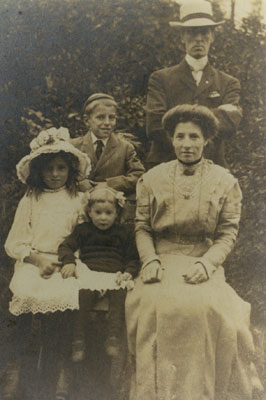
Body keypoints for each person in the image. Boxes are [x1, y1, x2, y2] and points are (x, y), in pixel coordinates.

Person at [126, 104, 259, 400]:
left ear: (206, 140)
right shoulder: (152, 178)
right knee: (152, 308)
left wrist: (208, 263)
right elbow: (142, 227)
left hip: (201, 260)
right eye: (181, 137)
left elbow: (227, 232)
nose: (187, 144)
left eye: (194, 137)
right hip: (161, 259)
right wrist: (149, 260)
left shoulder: (225, 181)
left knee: (208, 310)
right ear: (172, 139)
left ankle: (200, 392)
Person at [4, 127, 91, 400]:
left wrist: (68, 262)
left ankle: (56, 381)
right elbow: (14, 243)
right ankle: (23, 378)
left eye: (61, 168)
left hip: (66, 263)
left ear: (71, 170)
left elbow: (85, 238)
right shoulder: (31, 200)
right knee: (25, 306)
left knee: (61, 317)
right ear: (39, 172)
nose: (55, 174)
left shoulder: (78, 200)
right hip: (34, 262)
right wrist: (37, 259)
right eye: (49, 169)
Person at [58, 186, 139, 398]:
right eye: (98, 213)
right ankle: (78, 338)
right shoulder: (84, 230)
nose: (103, 218)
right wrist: (69, 262)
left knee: (120, 295)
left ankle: (113, 336)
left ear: (117, 213)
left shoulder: (123, 232)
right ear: (89, 212)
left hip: (114, 275)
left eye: (109, 213)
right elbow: (66, 246)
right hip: (89, 273)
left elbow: (132, 258)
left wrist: (128, 272)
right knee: (82, 295)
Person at [146, 0, 242, 168]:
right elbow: (154, 126)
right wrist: (216, 114)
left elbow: (229, 126)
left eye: (204, 32)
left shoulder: (228, 83)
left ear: (212, 36)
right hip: (166, 165)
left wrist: (175, 118)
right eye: (192, 32)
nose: (198, 39)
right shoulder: (160, 78)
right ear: (182, 36)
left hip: (212, 166)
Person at [70, 92, 145, 222]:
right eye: (100, 117)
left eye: (112, 118)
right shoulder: (73, 146)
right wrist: (79, 181)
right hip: (77, 212)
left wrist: (109, 184)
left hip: (110, 214)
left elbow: (139, 175)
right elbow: (62, 173)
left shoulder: (125, 147)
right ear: (87, 120)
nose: (107, 123)